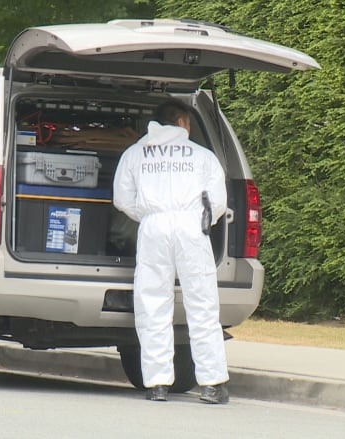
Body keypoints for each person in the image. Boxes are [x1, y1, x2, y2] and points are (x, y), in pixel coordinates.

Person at [112, 98, 230, 404]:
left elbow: (122, 199)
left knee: (152, 302)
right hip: (191, 228)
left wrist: (149, 215)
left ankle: (157, 383)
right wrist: (202, 220)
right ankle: (212, 383)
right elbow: (217, 202)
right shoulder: (203, 157)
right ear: (181, 123)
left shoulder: (135, 153)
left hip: (153, 228)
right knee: (202, 303)